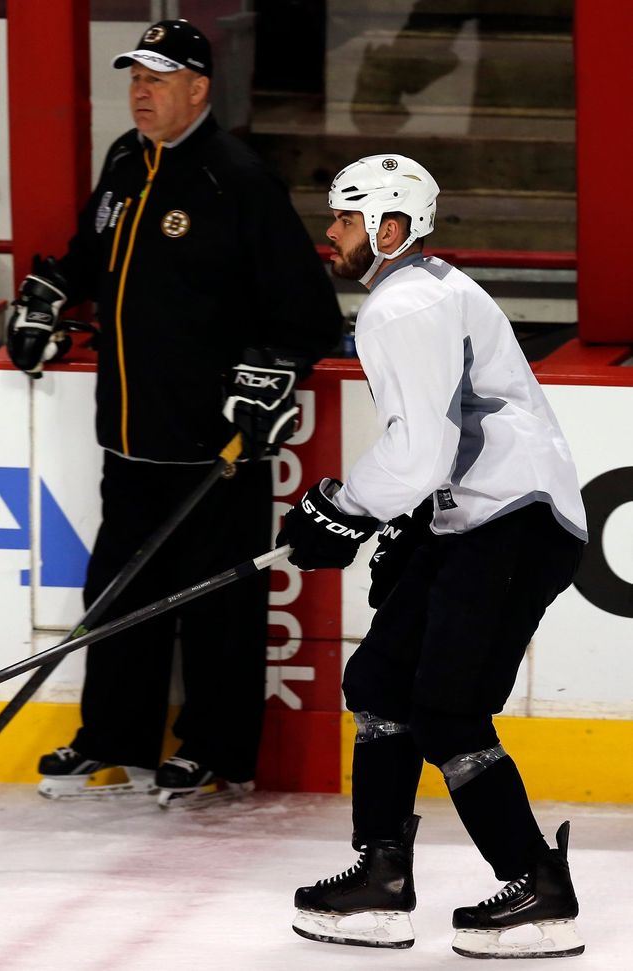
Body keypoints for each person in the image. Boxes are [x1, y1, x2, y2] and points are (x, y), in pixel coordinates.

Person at [5, 20, 343, 806]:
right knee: (118, 593)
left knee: (218, 607)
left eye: (158, 78)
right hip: (129, 436)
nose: (141, 91)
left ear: (199, 89)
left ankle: (214, 750)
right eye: (135, 77)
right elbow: (95, 253)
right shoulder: (126, 162)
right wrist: (51, 288)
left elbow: (308, 316)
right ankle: (113, 739)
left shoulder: (238, 181)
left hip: (213, 451)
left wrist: (267, 377)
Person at [276, 154, 587, 959]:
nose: (331, 233)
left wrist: (341, 508)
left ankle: (538, 890)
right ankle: (380, 878)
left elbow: (419, 449)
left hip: (513, 522)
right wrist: (413, 523)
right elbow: (440, 443)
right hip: (477, 516)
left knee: (447, 707)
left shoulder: (403, 303)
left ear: (389, 227)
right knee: (379, 680)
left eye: (345, 219)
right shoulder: (426, 290)